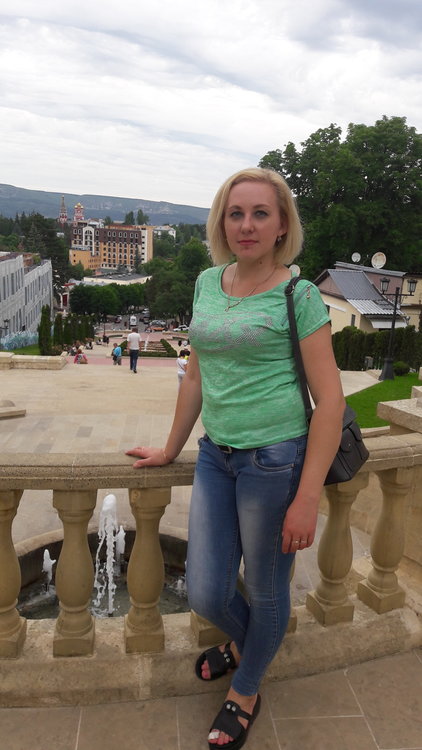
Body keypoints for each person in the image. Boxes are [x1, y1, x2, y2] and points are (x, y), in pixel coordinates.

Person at [126, 167, 344, 750]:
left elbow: (330, 402)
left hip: (274, 462)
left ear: (282, 226)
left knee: (266, 589)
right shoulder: (207, 282)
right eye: (235, 213)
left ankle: (245, 690)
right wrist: (170, 448)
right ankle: (250, 645)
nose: (246, 225)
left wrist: (306, 498)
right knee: (205, 591)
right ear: (222, 222)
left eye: (260, 214)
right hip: (214, 456)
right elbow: (196, 374)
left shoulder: (298, 295)